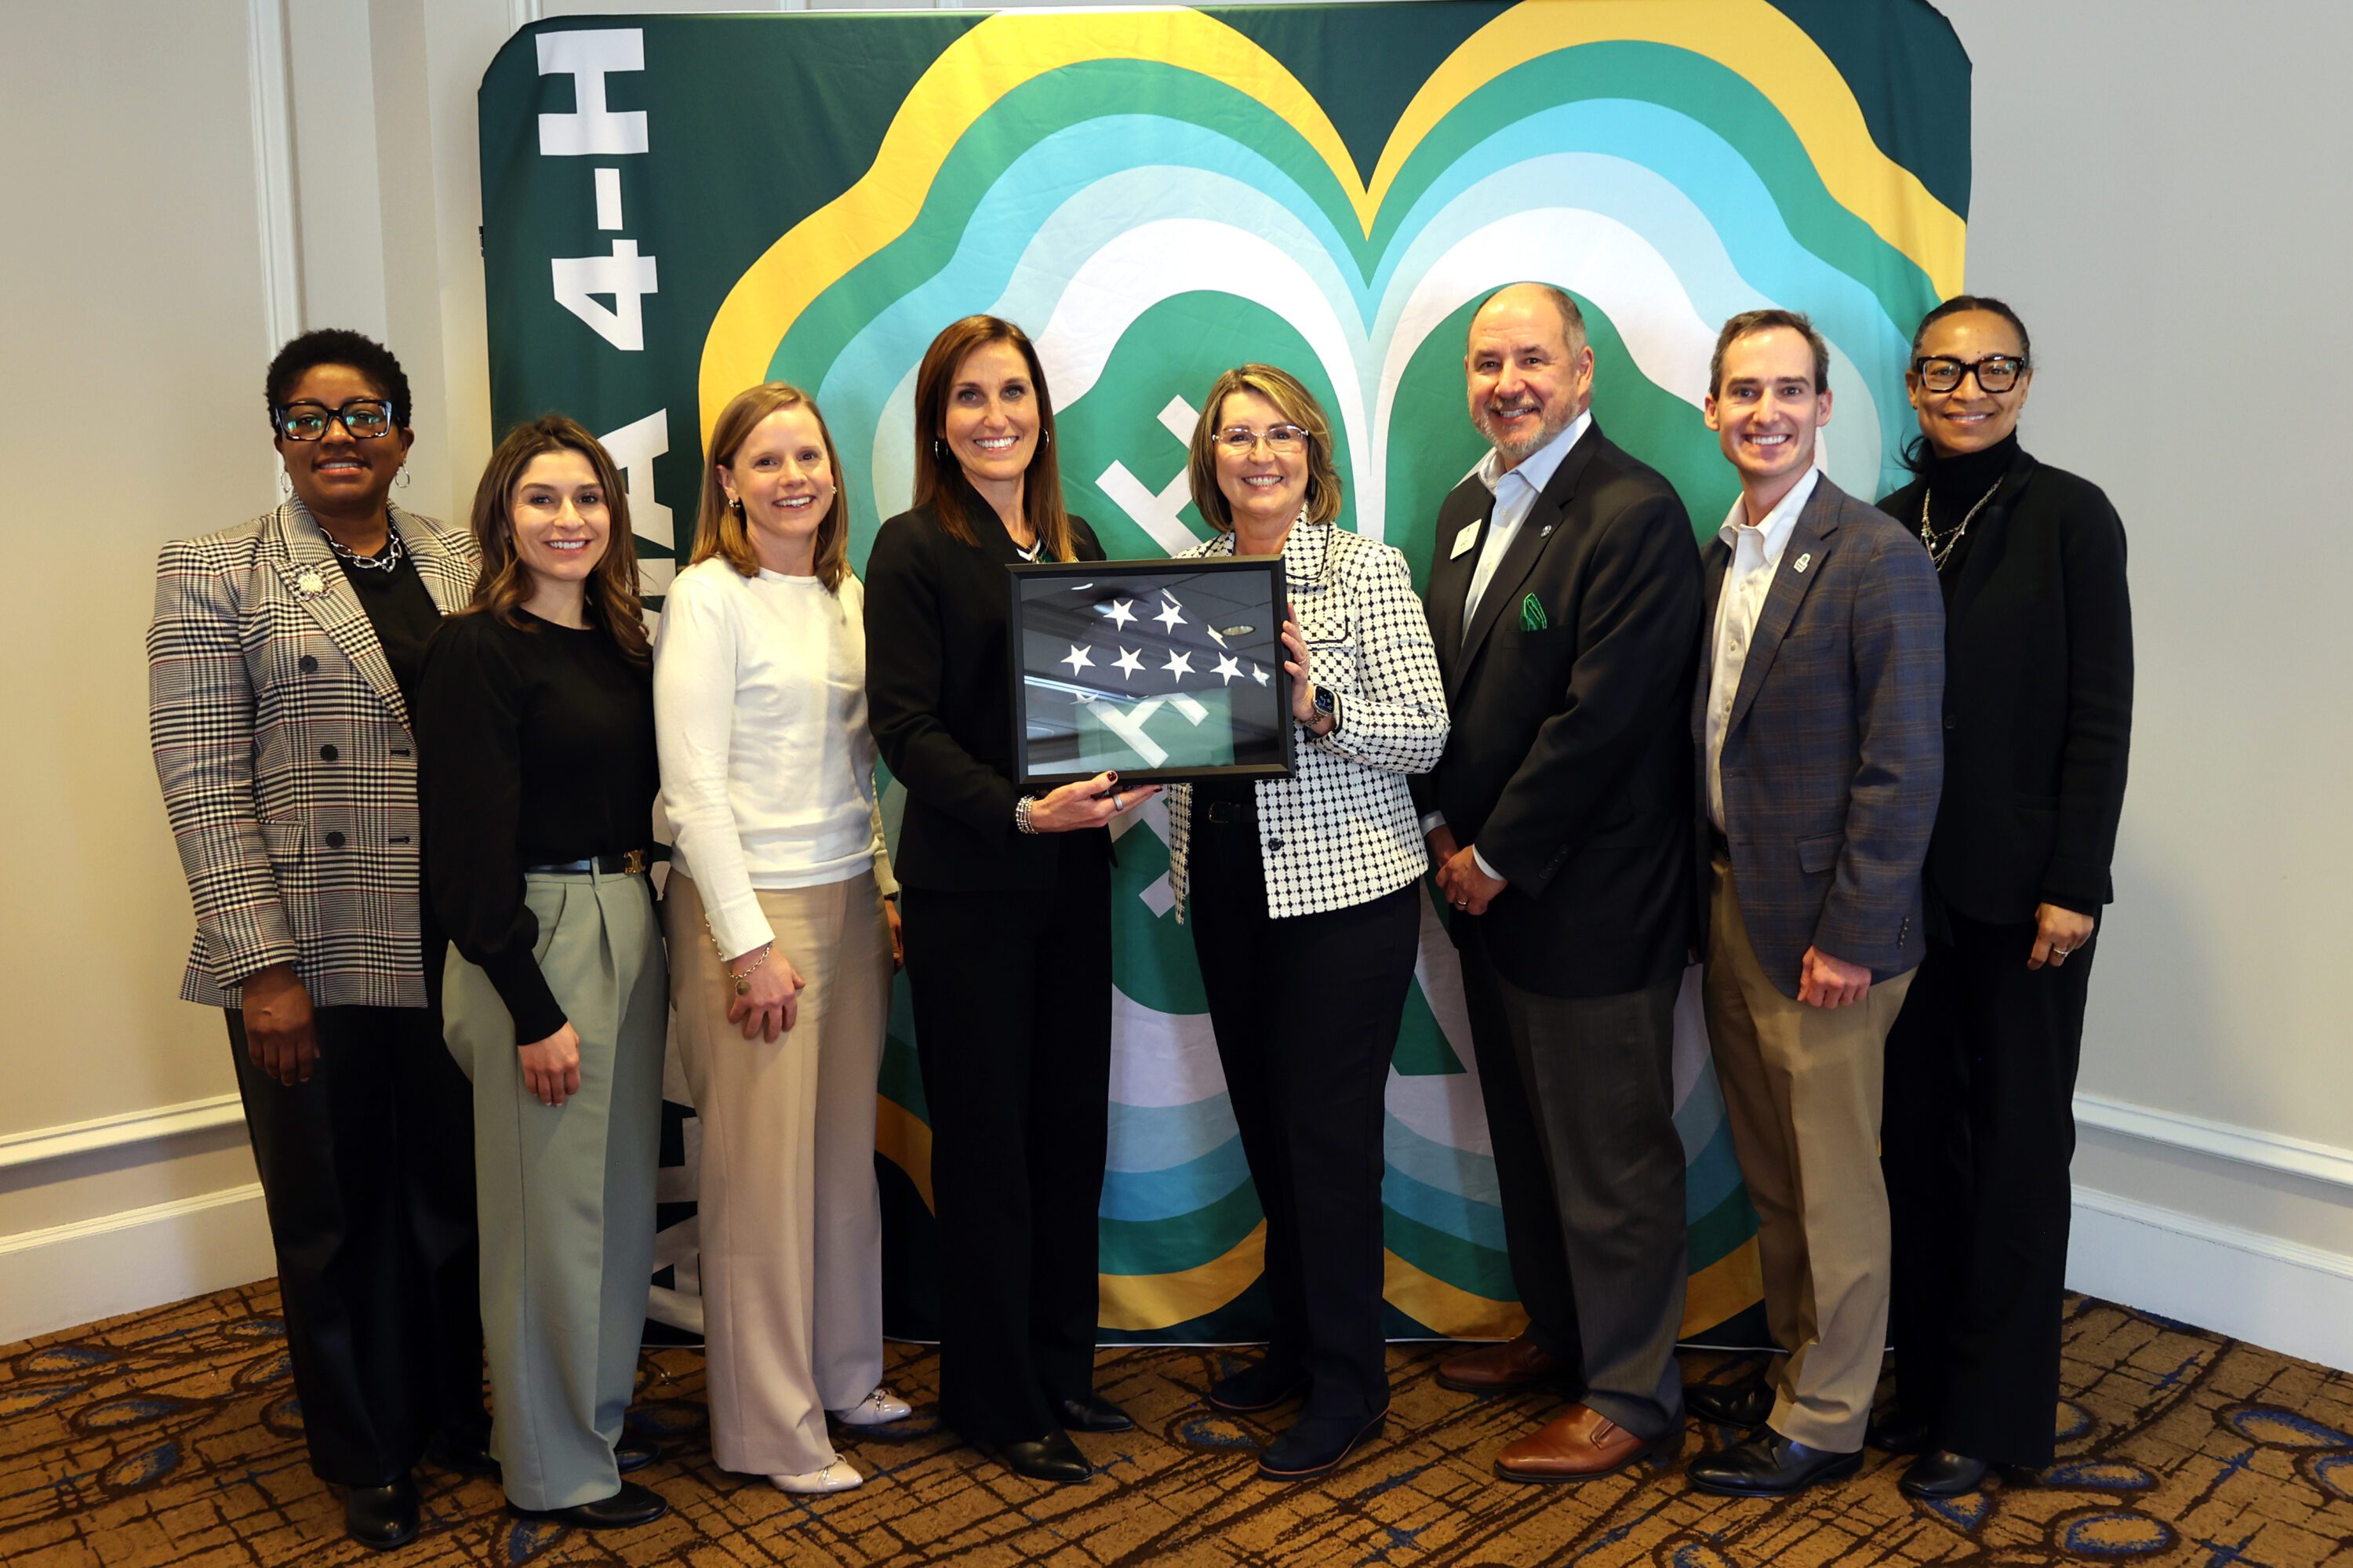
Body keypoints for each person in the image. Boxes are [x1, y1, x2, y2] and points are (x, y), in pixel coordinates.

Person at [147, 329, 486, 1549]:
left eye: (363, 411)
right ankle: (366, 1452)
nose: (338, 435)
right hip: (314, 951)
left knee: (453, 1198)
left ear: (403, 427)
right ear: (278, 436)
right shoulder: (214, 570)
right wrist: (262, 968)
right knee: (333, 1216)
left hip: (455, 943)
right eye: (308, 416)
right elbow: (202, 781)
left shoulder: (461, 554)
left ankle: (457, 1413)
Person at [1413, 285, 1701, 1483]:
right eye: (1488, 363)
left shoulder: (1632, 512)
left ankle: (1632, 1393)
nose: (1507, 383)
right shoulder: (1467, 507)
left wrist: (1493, 855)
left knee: (1609, 1156)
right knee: (1532, 1144)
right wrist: (1440, 827)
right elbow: (1443, 691)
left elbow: (1603, 721)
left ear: (1585, 373)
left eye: (1533, 359)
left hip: (1587, 900)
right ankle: (1564, 1336)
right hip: (1487, 894)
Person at [864, 315, 1154, 1485]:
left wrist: (1139, 776)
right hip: (973, 890)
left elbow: (1110, 712)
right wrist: (1021, 811)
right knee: (988, 1147)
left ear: (1044, 410)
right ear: (941, 421)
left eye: (1016, 394)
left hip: (1076, 883)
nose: (998, 417)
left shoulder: (1074, 538)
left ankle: (1059, 1363)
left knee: (1066, 1133)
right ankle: (992, 1396)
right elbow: (906, 731)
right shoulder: (911, 548)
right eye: (972, 397)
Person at [1165, 364, 1449, 1481]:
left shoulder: (1366, 570)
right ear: (1212, 459)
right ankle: (1294, 1343)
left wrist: (1314, 704)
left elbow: (1425, 734)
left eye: (1280, 434)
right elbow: (1158, 725)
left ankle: (1350, 1383)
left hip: (1345, 896)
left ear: (1312, 451)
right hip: (1227, 885)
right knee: (1271, 1129)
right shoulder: (1179, 577)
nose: (1259, 454)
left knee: (1328, 1141)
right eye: (1236, 436)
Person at [1680, 310, 1944, 1499]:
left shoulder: (1875, 553)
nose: (1765, 412)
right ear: (1713, 410)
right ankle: (1798, 1368)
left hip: (1829, 934)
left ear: (1827, 408)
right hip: (1737, 905)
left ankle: (1831, 1416)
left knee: (1835, 1181)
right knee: (1776, 1169)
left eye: (1789, 390)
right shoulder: (1722, 547)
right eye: (1743, 392)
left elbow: (1904, 763)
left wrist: (1852, 931)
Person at [1873, 297, 2133, 1498]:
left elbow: (2099, 713)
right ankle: (1922, 1385)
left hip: (2029, 900)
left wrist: (2076, 884)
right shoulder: (1884, 526)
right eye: (1945, 368)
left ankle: (1996, 1414)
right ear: (1913, 382)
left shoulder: (2072, 517)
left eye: (1995, 368)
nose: (1969, 387)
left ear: (2026, 381)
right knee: (1917, 1148)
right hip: (1900, 898)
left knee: (2019, 1150)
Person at [653, 383, 910, 1497]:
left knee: (841, 1159)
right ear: (727, 482)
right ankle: (768, 1428)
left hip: (850, 898)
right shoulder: (710, 598)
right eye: (766, 461)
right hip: (748, 908)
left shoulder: (848, 594)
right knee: (759, 1181)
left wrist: (886, 886)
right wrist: (747, 943)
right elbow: (692, 790)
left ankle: (846, 1374)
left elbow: (861, 774)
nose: (793, 477)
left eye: (809, 456)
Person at [416, 416, 667, 1530]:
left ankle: (594, 1415)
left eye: (588, 500)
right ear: (502, 517)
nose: (569, 520)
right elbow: (467, 857)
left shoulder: (621, 643)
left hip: (628, 913)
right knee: (541, 1223)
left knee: (611, 1210)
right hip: (532, 940)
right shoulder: (478, 647)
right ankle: (551, 1467)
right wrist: (532, 1007)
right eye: (543, 499)